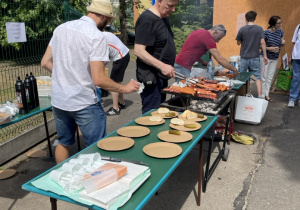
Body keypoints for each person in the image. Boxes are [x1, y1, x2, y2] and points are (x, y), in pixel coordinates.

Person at [41, 0, 140, 164]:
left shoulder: (60, 29)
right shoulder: (96, 36)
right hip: (84, 101)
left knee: (64, 142)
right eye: (109, 20)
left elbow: (45, 62)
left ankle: (63, 181)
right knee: (97, 147)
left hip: (59, 101)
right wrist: (124, 88)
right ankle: (94, 184)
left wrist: (66, 75)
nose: (108, 24)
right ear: (105, 17)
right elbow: (99, 79)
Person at [134, 0, 178, 114]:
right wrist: (162, 66)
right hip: (151, 77)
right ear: (159, 1)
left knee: (160, 112)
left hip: (161, 76)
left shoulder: (163, 18)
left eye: (175, 6)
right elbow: (138, 51)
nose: (173, 9)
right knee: (151, 113)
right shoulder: (147, 19)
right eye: (170, 6)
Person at [175, 25, 239, 79]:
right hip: (182, 66)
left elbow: (192, 51)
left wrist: (202, 62)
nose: (217, 41)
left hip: (180, 64)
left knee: (182, 88)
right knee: (183, 89)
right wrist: (234, 69)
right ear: (215, 32)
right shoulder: (208, 38)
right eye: (218, 38)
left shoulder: (200, 32)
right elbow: (219, 58)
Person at [236, 11, 268, 98]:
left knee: (241, 76)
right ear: (255, 18)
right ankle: (260, 96)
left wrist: (241, 39)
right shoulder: (259, 29)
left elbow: (238, 43)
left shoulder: (242, 29)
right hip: (255, 57)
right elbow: (263, 42)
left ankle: (239, 95)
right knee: (257, 77)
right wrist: (265, 55)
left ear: (246, 18)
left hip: (244, 57)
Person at [101, 31, 130, 116]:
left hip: (120, 57)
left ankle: (115, 108)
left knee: (113, 83)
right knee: (117, 82)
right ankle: (122, 103)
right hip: (123, 54)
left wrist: (97, 70)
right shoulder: (104, 34)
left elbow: (104, 59)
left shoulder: (100, 39)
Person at [260, 16, 285, 102]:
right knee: (264, 77)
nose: (280, 24)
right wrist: (270, 48)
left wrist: (283, 42)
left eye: (280, 23)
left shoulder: (280, 32)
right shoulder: (266, 33)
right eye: (279, 23)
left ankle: (267, 95)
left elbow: (281, 42)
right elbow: (260, 46)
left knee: (270, 77)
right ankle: (262, 96)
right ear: (273, 24)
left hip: (275, 58)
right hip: (265, 58)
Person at [287, 23, 300, 107]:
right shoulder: (298, 26)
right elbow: (294, 42)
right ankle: (292, 98)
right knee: (296, 77)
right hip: (297, 56)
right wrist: (290, 55)